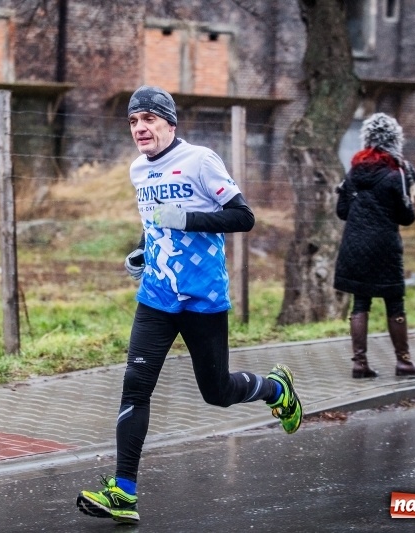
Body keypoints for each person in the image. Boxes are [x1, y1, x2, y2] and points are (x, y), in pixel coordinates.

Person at [76, 85, 303, 524]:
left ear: (169, 122)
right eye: (133, 121)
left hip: (203, 299)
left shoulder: (200, 160)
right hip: (157, 299)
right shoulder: (138, 169)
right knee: (136, 387)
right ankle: (124, 492)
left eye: (148, 119)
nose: (140, 128)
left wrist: (187, 219)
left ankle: (277, 389)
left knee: (216, 392)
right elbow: (154, 222)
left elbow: (243, 216)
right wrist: (141, 251)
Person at [334, 112, 415, 379]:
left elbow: (342, 212)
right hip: (385, 246)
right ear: (395, 140)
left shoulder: (353, 171)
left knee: (360, 302)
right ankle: (404, 362)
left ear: (367, 139)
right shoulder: (396, 172)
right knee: (394, 303)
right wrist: (408, 194)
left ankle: (359, 364)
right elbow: (406, 217)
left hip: (354, 245)